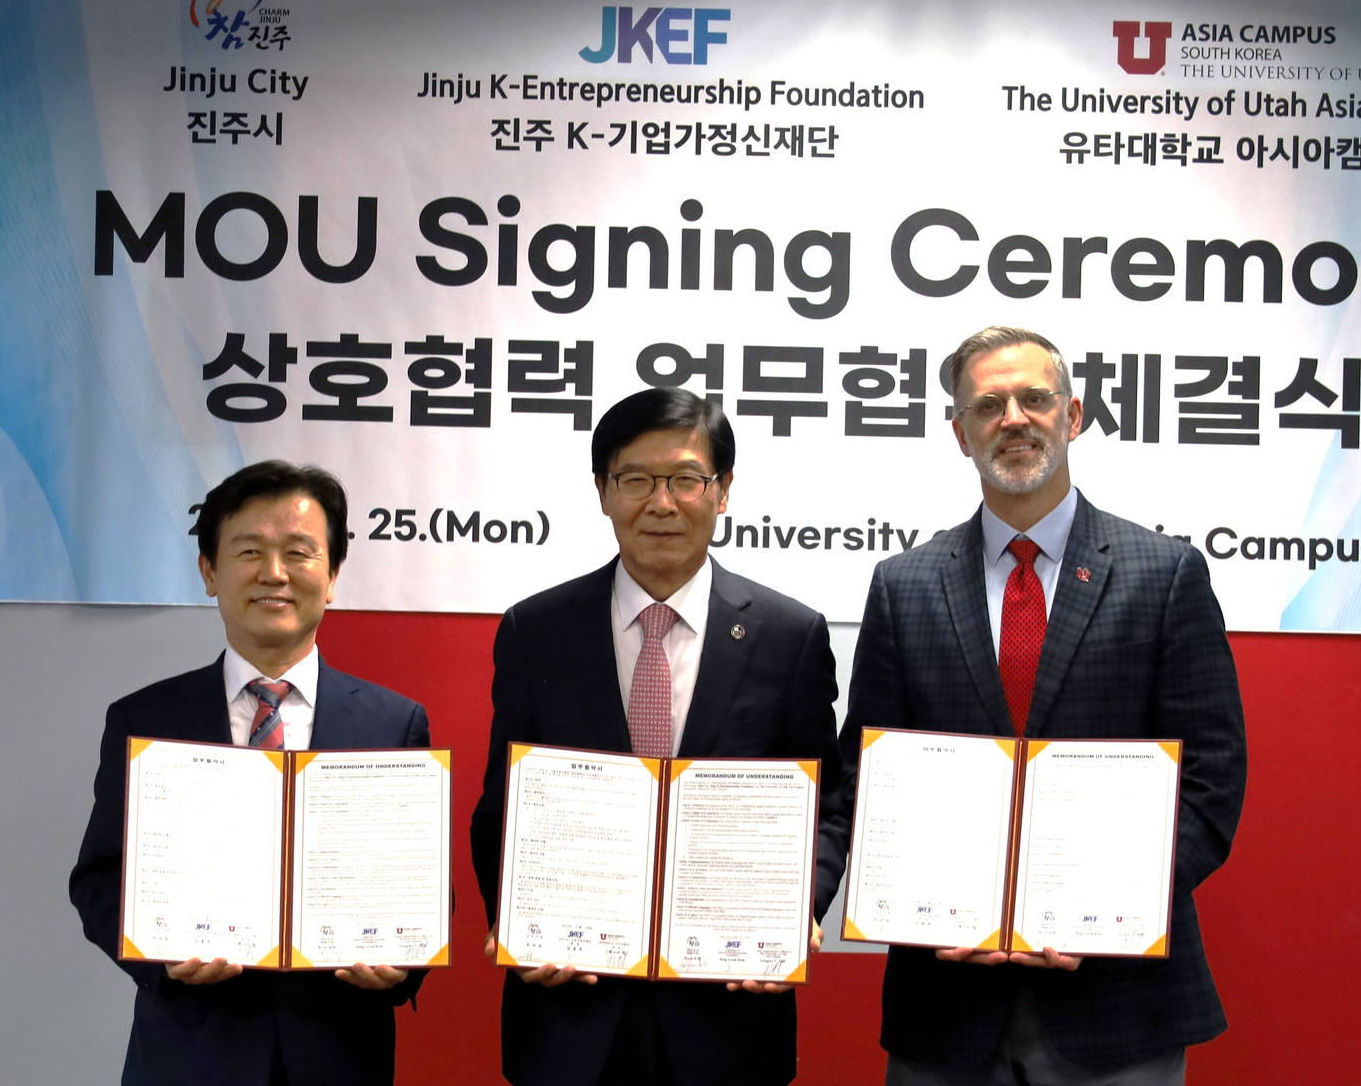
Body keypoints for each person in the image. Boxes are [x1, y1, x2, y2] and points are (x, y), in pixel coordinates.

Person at [840, 326, 1247, 1085]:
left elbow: (1212, 783)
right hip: (946, 999)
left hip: (1118, 999)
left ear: (1074, 415)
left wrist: (1097, 910)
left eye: (1034, 399)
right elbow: (865, 778)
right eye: (988, 405)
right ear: (959, 433)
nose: (1014, 419)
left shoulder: (1164, 576)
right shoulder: (904, 586)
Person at [471, 387, 849, 1086]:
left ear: (723, 490)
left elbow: (827, 802)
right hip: (570, 1007)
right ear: (603, 492)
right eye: (636, 481)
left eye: (684, 480)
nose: (661, 504)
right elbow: (503, 805)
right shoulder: (535, 630)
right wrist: (518, 919)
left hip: (727, 1009)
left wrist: (797, 908)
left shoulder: (789, 635)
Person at [69, 461, 430, 1086]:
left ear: (335, 575)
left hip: (340, 1053)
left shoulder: (393, 722)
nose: (274, 574)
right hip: (190, 1053)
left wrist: (404, 961)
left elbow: (422, 887)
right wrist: (158, 957)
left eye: (299, 552)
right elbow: (100, 880)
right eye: (249, 551)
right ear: (209, 571)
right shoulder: (145, 719)